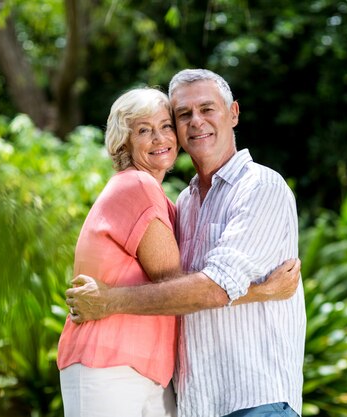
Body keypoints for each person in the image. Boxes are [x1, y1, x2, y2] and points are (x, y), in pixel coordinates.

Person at [66, 69, 306, 417]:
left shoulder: (260, 187)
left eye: (207, 109)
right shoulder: (184, 202)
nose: (196, 122)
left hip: (254, 398)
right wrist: (260, 291)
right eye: (182, 115)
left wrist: (109, 301)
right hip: (197, 402)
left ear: (234, 113)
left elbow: (214, 287)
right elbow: (186, 289)